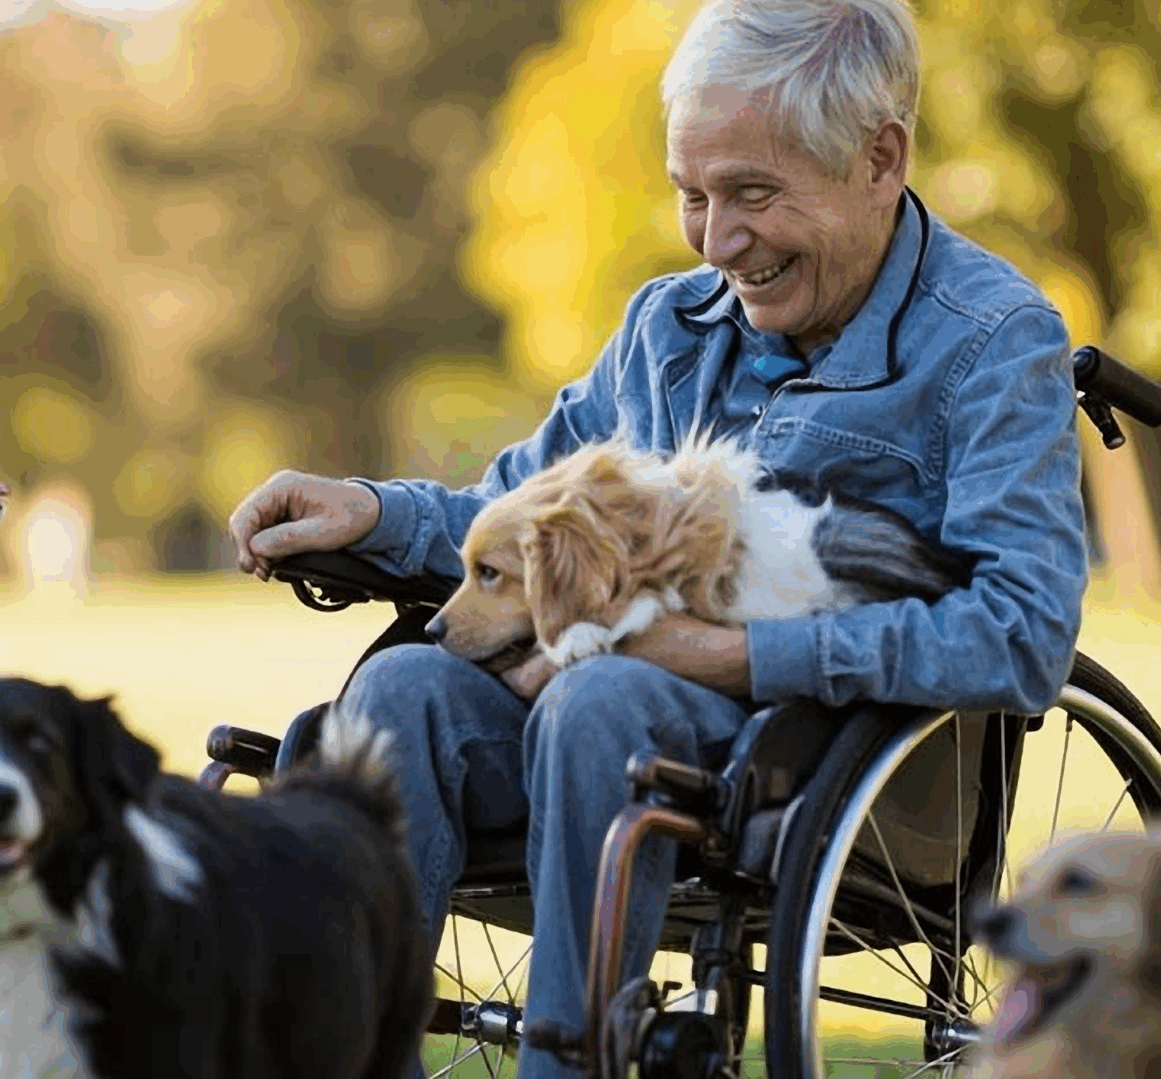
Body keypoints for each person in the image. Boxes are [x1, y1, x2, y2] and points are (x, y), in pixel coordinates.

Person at [229, 1, 1087, 1075]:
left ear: (881, 158)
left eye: (756, 193)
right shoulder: (664, 329)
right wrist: (378, 512)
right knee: (403, 691)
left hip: (828, 765)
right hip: (608, 731)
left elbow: (1024, 631)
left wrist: (737, 655)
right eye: (694, 193)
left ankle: (568, 1062)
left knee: (600, 698)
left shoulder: (994, 345)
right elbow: (519, 518)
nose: (719, 241)